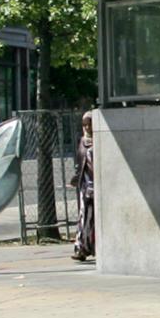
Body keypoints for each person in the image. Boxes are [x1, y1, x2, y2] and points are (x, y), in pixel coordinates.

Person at [69, 110, 97, 263]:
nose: (86, 128)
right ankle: (81, 248)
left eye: (89, 124)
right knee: (84, 217)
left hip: (99, 185)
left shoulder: (101, 140)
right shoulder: (82, 141)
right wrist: (75, 177)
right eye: (84, 125)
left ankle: (95, 246)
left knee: (96, 218)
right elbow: (80, 163)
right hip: (85, 185)